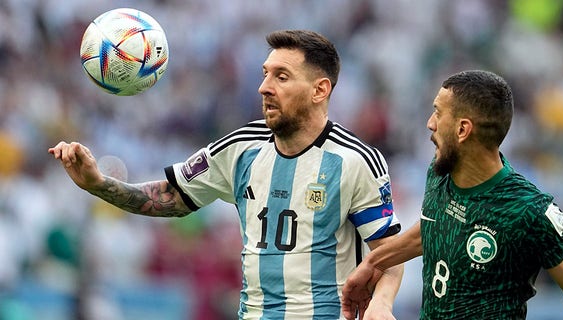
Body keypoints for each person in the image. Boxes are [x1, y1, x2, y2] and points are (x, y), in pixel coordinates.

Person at [49, 29, 404, 319]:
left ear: (319, 90)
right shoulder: (242, 147)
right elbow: (172, 197)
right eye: (265, 74)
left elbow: (389, 254)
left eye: (282, 76)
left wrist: (382, 303)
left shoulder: (355, 160)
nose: (265, 87)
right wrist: (98, 184)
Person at [341, 70, 563, 319]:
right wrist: (374, 262)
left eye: (438, 113)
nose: (429, 123)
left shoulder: (528, 210)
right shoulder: (440, 174)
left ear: (462, 129)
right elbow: (432, 226)